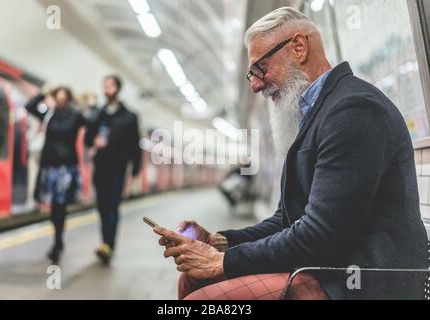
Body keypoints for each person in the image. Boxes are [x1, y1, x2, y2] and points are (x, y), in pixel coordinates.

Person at [155, 7, 429, 300]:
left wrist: (223, 262)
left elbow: (320, 235)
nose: (256, 85)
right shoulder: (316, 115)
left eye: (260, 68)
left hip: (363, 281)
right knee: (191, 281)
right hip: (329, 269)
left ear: (299, 47)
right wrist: (219, 242)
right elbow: (286, 220)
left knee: (202, 300)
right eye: (251, 75)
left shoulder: (353, 110)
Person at [26, 87, 86, 264]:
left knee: (60, 205)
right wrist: (43, 93)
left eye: (63, 98)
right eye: (56, 97)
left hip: (66, 167)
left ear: (68, 99)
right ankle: (58, 240)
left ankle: (57, 241)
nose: (59, 100)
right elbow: (29, 107)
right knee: (54, 207)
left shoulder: (75, 116)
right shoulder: (48, 114)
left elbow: (91, 121)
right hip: (50, 166)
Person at [86, 75, 142, 264]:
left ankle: (109, 245)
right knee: (102, 208)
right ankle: (105, 243)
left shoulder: (129, 117)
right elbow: (87, 139)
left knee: (112, 207)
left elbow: (136, 147)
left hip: (118, 169)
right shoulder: (98, 115)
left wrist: (134, 174)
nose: (106, 89)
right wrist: (94, 141)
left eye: (110, 85)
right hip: (100, 168)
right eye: (104, 85)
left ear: (118, 88)